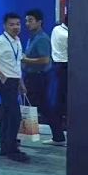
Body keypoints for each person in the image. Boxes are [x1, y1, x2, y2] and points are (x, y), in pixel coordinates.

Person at [0, 13, 29, 163]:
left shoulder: (17, 41)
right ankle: (11, 149)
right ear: (5, 26)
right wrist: (2, 76)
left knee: (6, 114)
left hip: (14, 80)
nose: (15, 27)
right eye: (12, 24)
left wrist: (21, 83)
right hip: (4, 82)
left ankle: (5, 147)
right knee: (14, 116)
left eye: (18, 24)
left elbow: (16, 64)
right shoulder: (0, 41)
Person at [23, 9, 64, 145]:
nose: (27, 23)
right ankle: (29, 135)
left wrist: (24, 59)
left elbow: (45, 60)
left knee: (38, 106)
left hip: (38, 78)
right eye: (26, 21)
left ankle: (26, 136)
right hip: (33, 77)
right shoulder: (32, 38)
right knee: (38, 106)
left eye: (30, 20)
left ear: (39, 22)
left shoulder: (41, 39)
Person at [50, 17, 68, 142]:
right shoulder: (65, 35)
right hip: (64, 67)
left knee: (58, 101)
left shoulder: (56, 29)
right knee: (63, 101)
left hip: (57, 66)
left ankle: (58, 135)